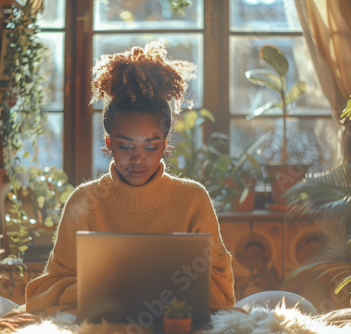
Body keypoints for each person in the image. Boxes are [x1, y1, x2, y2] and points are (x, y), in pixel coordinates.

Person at [24, 39, 235, 316]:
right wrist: (112, 289)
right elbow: (45, 290)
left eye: (151, 146)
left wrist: (149, 288)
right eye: (125, 146)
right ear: (109, 144)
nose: (138, 159)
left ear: (165, 145)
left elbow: (223, 293)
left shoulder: (193, 199)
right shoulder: (84, 201)